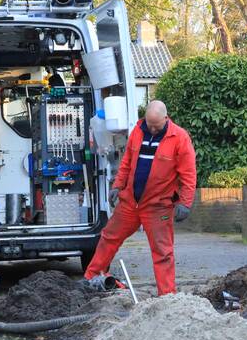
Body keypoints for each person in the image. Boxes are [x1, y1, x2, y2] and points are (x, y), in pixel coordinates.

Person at [84, 100, 196, 295]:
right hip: (130, 202)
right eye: (150, 124)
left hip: (158, 206)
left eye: (157, 126)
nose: (152, 129)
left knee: (162, 252)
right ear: (145, 118)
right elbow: (127, 161)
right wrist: (117, 185)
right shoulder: (138, 130)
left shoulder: (179, 138)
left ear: (166, 119)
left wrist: (185, 202)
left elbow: (188, 173)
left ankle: (167, 296)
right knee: (109, 237)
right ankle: (91, 278)